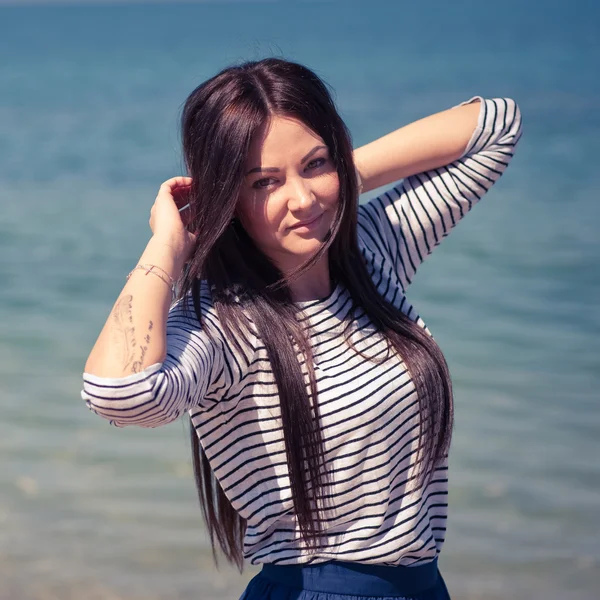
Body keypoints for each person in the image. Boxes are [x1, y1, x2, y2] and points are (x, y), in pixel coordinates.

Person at [81, 58, 522, 599]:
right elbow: (120, 393)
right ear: (227, 198)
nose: (302, 200)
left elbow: (495, 127)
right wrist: (168, 245)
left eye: (316, 164)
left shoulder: (368, 251)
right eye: (264, 182)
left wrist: (333, 184)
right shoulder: (225, 323)